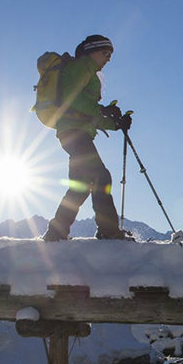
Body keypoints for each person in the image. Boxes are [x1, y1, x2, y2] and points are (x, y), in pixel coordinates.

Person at [42, 34, 133, 242]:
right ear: (92, 51)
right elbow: (71, 99)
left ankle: (56, 233)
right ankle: (109, 232)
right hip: (74, 132)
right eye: (105, 53)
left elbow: (87, 113)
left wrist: (116, 124)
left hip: (74, 131)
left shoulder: (89, 72)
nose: (108, 58)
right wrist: (103, 110)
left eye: (110, 55)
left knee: (81, 186)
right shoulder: (82, 67)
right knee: (101, 177)